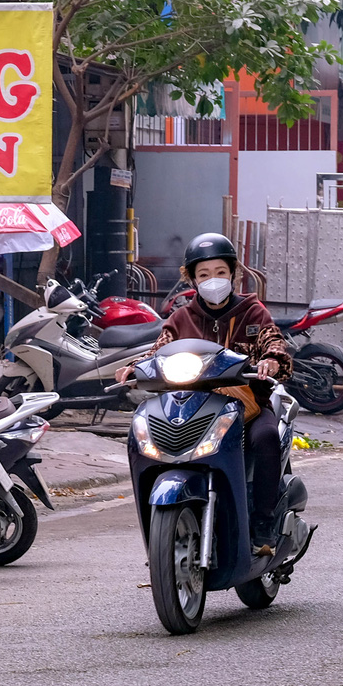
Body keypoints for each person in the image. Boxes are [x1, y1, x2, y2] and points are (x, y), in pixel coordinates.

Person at [117, 233, 296, 552]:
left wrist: (270, 359)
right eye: (203, 274)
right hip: (190, 407)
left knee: (266, 438)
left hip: (247, 406)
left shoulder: (253, 313)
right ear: (192, 279)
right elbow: (159, 351)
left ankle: (263, 521)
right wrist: (135, 368)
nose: (213, 280)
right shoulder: (181, 318)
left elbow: (274, 343)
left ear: (233, 274)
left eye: (220, 272)